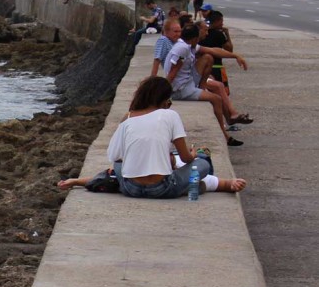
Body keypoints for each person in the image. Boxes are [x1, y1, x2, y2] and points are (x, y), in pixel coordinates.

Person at [57, 77, 247, 197]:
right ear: (165, 100)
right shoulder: (170, 115)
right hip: (162, 188)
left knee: (118, 168)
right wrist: (191, 154)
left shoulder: (129, 117)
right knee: (202, 163)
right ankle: (220, 184)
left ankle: (78, 181)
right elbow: (187, 158)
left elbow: (115, 158)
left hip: (131, 188)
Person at [165, 23, 251, 146]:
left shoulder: (188, 45)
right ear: (195, 37)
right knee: (216, 99)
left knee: (208, 58)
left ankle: (202, 88)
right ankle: (224, 135)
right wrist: (164, 94)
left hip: (188, 81)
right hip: (180, 89)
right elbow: (172, 72)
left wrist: (235, 56)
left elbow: (213, 51)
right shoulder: (182, 48)